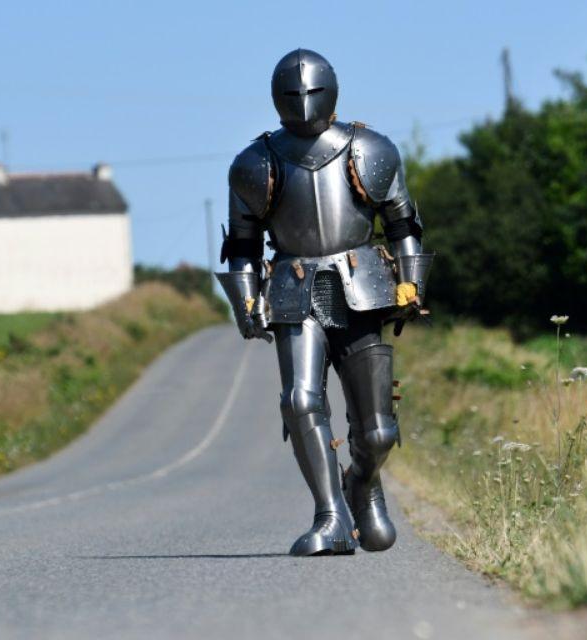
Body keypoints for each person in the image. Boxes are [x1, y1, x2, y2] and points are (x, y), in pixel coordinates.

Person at [216, 49, 432, 556]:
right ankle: (330, 515)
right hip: (293, 284)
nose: (304, 102)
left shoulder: (370, 148)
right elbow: (243, 245)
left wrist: (411, 282)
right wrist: (246, 301)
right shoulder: (256, 162)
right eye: (293, 95)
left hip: (361, 286)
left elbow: (403, 224)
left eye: (310, 93)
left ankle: (361, 482)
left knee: (378, 431)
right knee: (299, 399)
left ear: (331, 92)